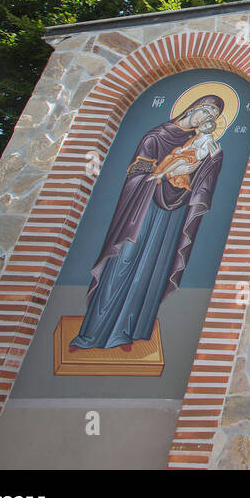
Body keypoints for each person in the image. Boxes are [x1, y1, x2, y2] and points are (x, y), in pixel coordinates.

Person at [71, 95, 226, 350]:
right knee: (125, 259)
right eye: (206, 112)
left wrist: (214, 160)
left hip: (172, 213)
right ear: (193, 108)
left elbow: (200, 177)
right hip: (143, 208)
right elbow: (135, 174)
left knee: (154, 265)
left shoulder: (200, 142)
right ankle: (94, 331)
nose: (207, 119)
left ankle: (129, 330)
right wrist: (160, 177)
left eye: (212, 117)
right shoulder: (156, 136)